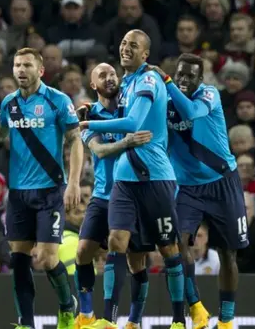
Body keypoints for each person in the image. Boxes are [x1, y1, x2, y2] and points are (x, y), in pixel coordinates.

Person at [0, 47, 84, 329]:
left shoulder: (57, 100)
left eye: (27, 65)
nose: (20, 70)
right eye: (17, 65)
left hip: (50, 191)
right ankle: (25, 322)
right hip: (17, 194)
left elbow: (75, 140)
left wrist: (74, 182)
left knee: (47, 258)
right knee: (19, 259)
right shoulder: (9, 103)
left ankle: (67, 305)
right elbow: (0, 131)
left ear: (40, 70)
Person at [79, 29, 185, 329]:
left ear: (145, 54)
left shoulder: (148, 80)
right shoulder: (126, 84)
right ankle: (109, 320)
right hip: (124, 181)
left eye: (134, 45)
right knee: (116, 241)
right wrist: (92, 112)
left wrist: (90, 121)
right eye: (124, 43)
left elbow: (133, 123)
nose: (126, 48)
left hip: (155, 177)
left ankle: (178, 320)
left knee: (167, 250)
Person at [151, 53, 249, 329]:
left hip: (222, 183)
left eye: (189, 76)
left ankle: (227, 321)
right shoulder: (165, 101)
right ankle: (196, 307)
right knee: (174, 244)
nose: (183, 79)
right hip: (188, 187)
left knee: (228, 252)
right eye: (179, 73)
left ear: (200, 79)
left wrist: (167, 82)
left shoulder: (210, 95)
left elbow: (191, 113)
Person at [74, 63, 153, 329]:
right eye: (102, 76)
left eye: (112, 74)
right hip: (102, 193)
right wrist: (127, 142)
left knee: (137, 261)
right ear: (93, 85)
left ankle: (133, 320)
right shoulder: (87, 115)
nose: (109, 78)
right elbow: (99, 151)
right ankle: (86, 315)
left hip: (133, 193)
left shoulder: (132, 109)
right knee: (83, 252)